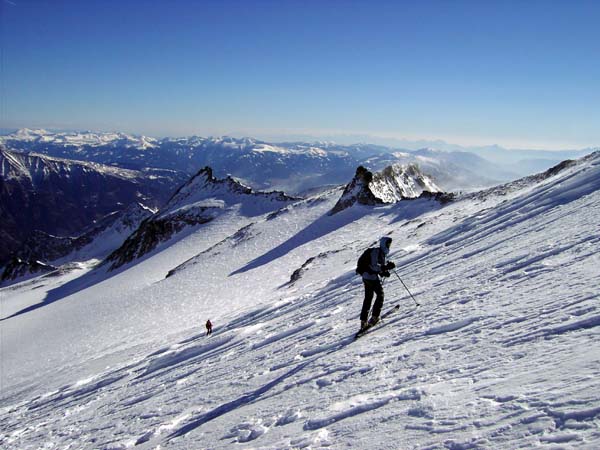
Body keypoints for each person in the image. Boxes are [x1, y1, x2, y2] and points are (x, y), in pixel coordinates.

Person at [360, 237, 395, 330]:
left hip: (367, 277)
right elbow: (374, 266)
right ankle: (375, 317)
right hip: (371, 277)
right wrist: (385, 268)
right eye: (388, 244)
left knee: (368, 298)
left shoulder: (381, 253)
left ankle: (363, 321)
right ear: (384, 244)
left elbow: (378, 268)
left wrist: (384, 271)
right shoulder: (376, 252)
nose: (389, 246)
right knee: (380, 295)